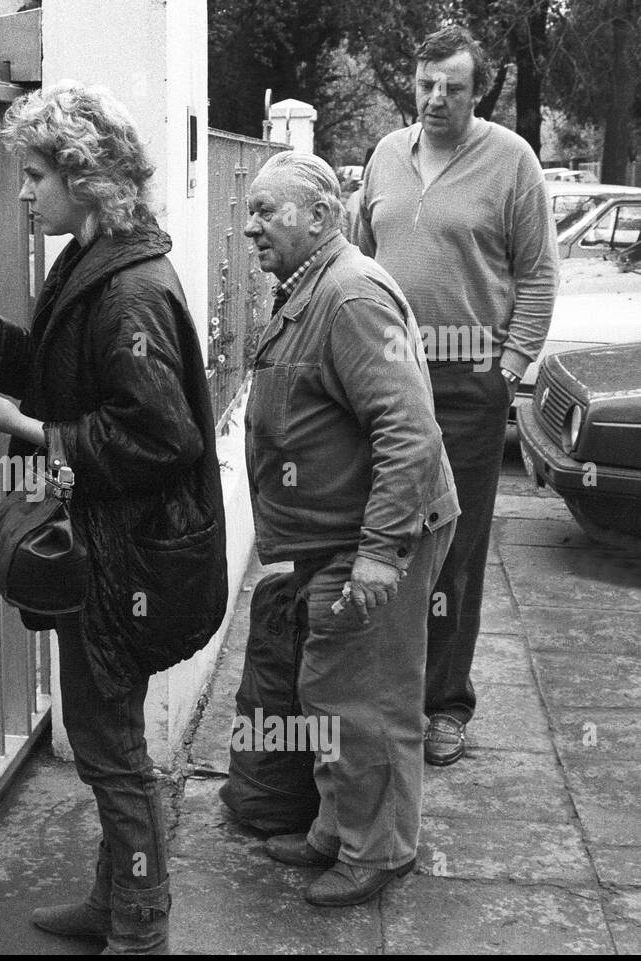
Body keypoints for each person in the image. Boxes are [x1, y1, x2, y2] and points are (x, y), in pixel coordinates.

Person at [0, 81, 228, 954]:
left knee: (109, 750)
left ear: (86, 179)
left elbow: (158, 434)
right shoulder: (95, 262)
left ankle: (140, 924)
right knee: (109, 735)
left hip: (127, 564)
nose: (23, 192)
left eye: (34, 176)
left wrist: (23, 425)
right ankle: (115, 901)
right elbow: (79, 375)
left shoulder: (129, 291)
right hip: (116, 557)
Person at [243, 151, 459, 906]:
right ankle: (337, 828)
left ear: (324, 216)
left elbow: (409, 430)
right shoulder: (316, 286)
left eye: (268, 211)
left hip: (373, 537)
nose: (249, 227)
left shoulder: (350, 297)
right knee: (332, 691)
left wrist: (378, 553)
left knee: (366, 701)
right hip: (338, 535)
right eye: (251, 211)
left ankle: (380, 850)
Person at [357, 25, 557, 766]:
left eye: (454, 86)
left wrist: (508, 369)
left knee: (455, 548)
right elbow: (358, 258)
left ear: (478, 92)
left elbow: (537, 273)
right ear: (413, 85)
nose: (437, 98)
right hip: (384, 377)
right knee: (380, 533)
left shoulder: (512, 161)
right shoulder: (385, 154)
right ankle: (387, 689)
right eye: (427, 85)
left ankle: (443, 704)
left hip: (470, 382)